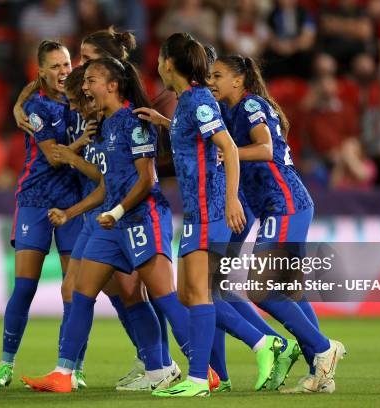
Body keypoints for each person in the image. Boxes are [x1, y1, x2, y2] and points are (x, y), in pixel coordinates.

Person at [21, 57, 189, 393]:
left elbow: (147, 179)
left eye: (91, 80)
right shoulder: (105, 126)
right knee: (81, 292)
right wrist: (72, 212)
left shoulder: (134, 122)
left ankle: (203, 368)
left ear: (112, 85)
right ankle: (64, 373)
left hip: (142, 218)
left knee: (165, 298)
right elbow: (106, 185)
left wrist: (117, 211)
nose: (84, 86)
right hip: (112, 225)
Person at [136, 33, 282, 398]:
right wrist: (164, 122)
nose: (157, 67)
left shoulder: (199, 100)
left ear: (169, 64)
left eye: (159, 61)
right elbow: (194, 141)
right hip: (197, 209)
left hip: (210, 207)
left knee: (199, 293)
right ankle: (255, 347)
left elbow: (229, 148)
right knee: (190, 293)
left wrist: (232, 199)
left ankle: (203, 377)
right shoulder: (188, 102)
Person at [207, 54, 346, 393]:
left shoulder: (250, 106)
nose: (211, 81)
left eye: (218, 75)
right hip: (276, 207)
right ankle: (320, 373)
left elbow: (266, 148)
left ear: (239, 80)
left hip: (284, 203)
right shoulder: (227, 111)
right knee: (289, 291)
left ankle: (325, 348)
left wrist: (231, 153)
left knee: (262, 288)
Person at [0, 40, 81, 387]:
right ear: (40, 71)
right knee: (25, 286)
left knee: (74, 290)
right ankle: (5, 364)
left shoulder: (81, 100)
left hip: (73, 203)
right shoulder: (37, 108)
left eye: (66, 64)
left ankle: (71, 367)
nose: (63, 72)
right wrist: (85, 138)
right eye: (55, 66)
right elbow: (55, 157)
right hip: (36, 200)